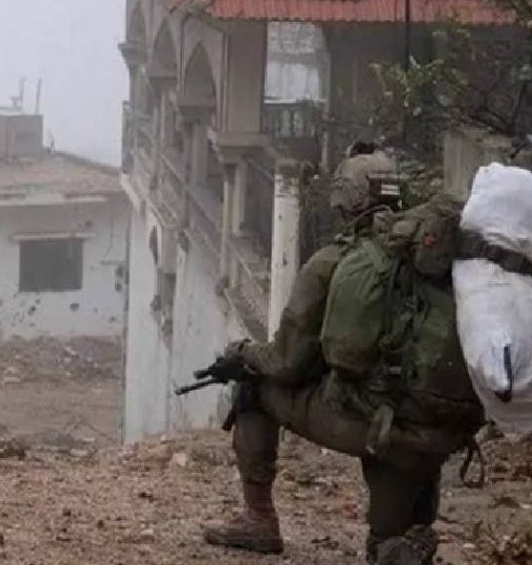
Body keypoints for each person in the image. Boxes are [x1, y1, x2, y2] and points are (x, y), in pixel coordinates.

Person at [202, 150, 474, 565]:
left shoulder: (334, 264)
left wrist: (242, 355)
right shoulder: (438, 261)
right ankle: (414, 533)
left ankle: (258, 519)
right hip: (439, 430)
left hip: (377, 427)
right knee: (387, 544)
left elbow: (287, 362)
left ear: (346, 200)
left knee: (254, 383)